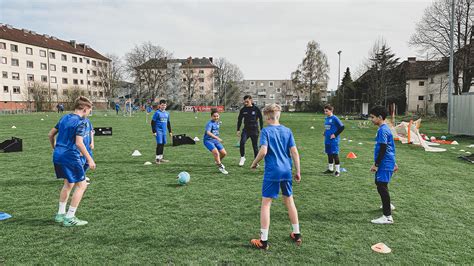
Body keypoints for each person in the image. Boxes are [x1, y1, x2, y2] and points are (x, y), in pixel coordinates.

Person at [249, 104, 301, 250]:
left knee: (266, 204)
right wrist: (298, 171)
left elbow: (263, 151)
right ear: (279, 115)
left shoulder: (265, 131)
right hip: (286, 171)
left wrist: (254, 163)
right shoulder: (287, 131)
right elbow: (295, 152)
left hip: (273, 172)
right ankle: (297, 234)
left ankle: (263, 241)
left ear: (266, 116)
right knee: (289, 201)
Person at [48, 96, 96, 227]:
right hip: (71, 156)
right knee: (82, 185)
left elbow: (50, 134)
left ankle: (60, 214)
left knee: (68, 184)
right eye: (90, 110)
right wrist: (90, 159)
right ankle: (70, 217)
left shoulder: (64, 118)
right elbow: (79, 143)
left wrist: (55, 148)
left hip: (59, 155)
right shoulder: (82, 122)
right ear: (85, 109)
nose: (89, 113)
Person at [369, 105, 398, 224]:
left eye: (373, 117)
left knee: (381, 185)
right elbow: (390, 147)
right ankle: (388, 205)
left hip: (384, 162)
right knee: (380, 183)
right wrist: (394, 162)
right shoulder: (384, 128)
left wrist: (376, 164)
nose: (371, 119)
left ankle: (387, 216)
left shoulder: (382, 130)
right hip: (387, 161)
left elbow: (384, 148)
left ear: (380, 117)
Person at [236, 95, 263, 166]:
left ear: (251, 100)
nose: (245, 103)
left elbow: (261, 119)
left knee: (255, 146)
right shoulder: (243, 110)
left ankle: (256, 162)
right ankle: (242, 157)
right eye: (245, 102)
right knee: (242, 142)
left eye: (247, 102)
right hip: (246, 130)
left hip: (254, 130)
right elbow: (239, 120)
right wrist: (238, 129)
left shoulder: (256, 109)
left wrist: (262, 128)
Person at [203, 108, 228, 174]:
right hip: (208, 141)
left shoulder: (217, 122)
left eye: (217, 116)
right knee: (216, 153)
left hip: (215, 140)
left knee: (224, 153)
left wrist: (219, 123)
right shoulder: (209, 124)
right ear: (211, 116)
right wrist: (217, 138)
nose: (216, 117)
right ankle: (220, 167)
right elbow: (208, 132)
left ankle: (217, 161)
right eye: (214, 116)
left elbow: (217, 125)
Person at [322, 104, 344, 177]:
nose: (325, 112)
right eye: (324, 111)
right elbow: (328, 127)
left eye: (326, 111)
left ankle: (337, 171)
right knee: (329, 153)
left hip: (334, 140)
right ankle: (330, 169)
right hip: (327, 139)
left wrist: (335, 134)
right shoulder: (326, 118)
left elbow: (342, 127)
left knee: (335, 154)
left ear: (331, 110)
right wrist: (325, 132)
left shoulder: (335, 118)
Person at [151, 99, 173, 164]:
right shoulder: (157, 113)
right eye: (162, 105)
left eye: (165, 105)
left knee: (163, 144)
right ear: (159, 105)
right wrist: (154, 131)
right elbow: (152, 122)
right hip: (158, 131)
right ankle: (157, 159)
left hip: (164, 131)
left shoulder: (167, 113)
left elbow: (168, 123)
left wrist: (170, 131)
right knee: (159, 144)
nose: (163, 106)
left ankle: (161, 158)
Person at [81, 116, 94, 184]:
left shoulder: (88, 121)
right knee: (81, 163)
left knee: (88, 163)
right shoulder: (78, 122)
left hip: (88, 146)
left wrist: (92, 142)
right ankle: (80, 179)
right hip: (81, 147)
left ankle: (82, 175)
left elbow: (91, 132)